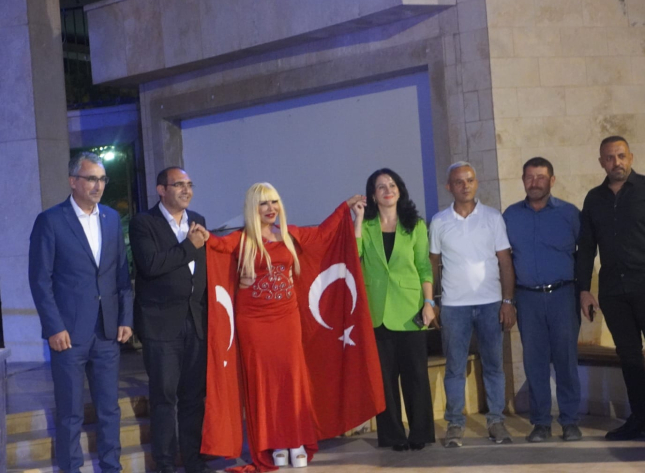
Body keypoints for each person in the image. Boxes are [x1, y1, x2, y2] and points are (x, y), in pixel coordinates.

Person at [205, 183, 364, 471]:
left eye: (274, 202)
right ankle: (273, 442)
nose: (271, 208)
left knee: (292, 380)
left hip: (286, 319)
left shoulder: (288, 234)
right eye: (264, 203)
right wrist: (204, 236)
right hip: (254, 322)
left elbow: (322, 234)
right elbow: (217, 245)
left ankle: (296, 440)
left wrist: (344, 209)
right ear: (253, 208)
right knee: (264, 384)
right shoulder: (241, 239)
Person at [578, 136, 645, 445]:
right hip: (613, 291)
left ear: (631, 157)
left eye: (621, 156)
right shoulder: (594, 199)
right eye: (610, 158)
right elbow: (586, 248)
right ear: (601, 162)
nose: (617, 162)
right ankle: (640, 420)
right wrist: (584, 290)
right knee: (628, 356)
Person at [29, 151, 133, 473]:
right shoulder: (51, 220)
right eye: (91, 179)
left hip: (107, 331)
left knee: (109, 410)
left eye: (102, 179)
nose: (98, 185)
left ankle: (111, 467)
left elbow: (121, 275)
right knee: (70, 413)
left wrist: (125, 318)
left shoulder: (111, 219)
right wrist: (53, 327)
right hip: (68, 334)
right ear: (73, 181)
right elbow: (40, 280)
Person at [129, 167, 214, 473]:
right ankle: (165, 464)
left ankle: (193, 460)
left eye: (189, 184)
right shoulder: (143, 223)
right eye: (178, 184)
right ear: (161, 190)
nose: (186, 190)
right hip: (161, 325)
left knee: (193, 397)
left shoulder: (198, 220)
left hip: (196, 321)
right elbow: (151, 265)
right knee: (165, 397)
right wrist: (189, 246)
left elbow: (204, 270)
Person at [429, 161, 517, 447]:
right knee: (455, 367)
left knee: (493, 365)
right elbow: (433, 264)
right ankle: (455, 424)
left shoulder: (493, 217)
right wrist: (433, 302)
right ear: (449, 187)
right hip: (454, 307)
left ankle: (496, 421)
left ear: (476, 183)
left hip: (491, 303)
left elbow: (505, 261)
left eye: (469, 180)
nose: (465, 186)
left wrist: (507, 301)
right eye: (458, 181)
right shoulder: (439, 221)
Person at [352, 168, 436, 451]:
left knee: (416, 376)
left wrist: (429, 303)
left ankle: (420, 433)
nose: (387, 190)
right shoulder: (366, 226)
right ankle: (393, 436)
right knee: (384, 380)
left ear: (400, 190)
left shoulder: (415, 225)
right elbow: (354, 256)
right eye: (381, 187)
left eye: (392, 185)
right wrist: (358, 219)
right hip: (377, 312)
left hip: (411, 310)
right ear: (373, 195)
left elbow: (424, 266)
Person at [503, 157, 582, 443]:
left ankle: (570, 421)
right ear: (523, 180)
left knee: (566, 360)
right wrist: (508, 300)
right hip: (528, 299)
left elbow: (584, 254)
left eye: (540, 177)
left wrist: (585, 291)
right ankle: (540, 423)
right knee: (534, 363)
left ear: (552, 180)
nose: (534, 182)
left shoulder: (570, 214)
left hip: (563, 296)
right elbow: (504, 260)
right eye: (529, 177)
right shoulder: (510, 216)